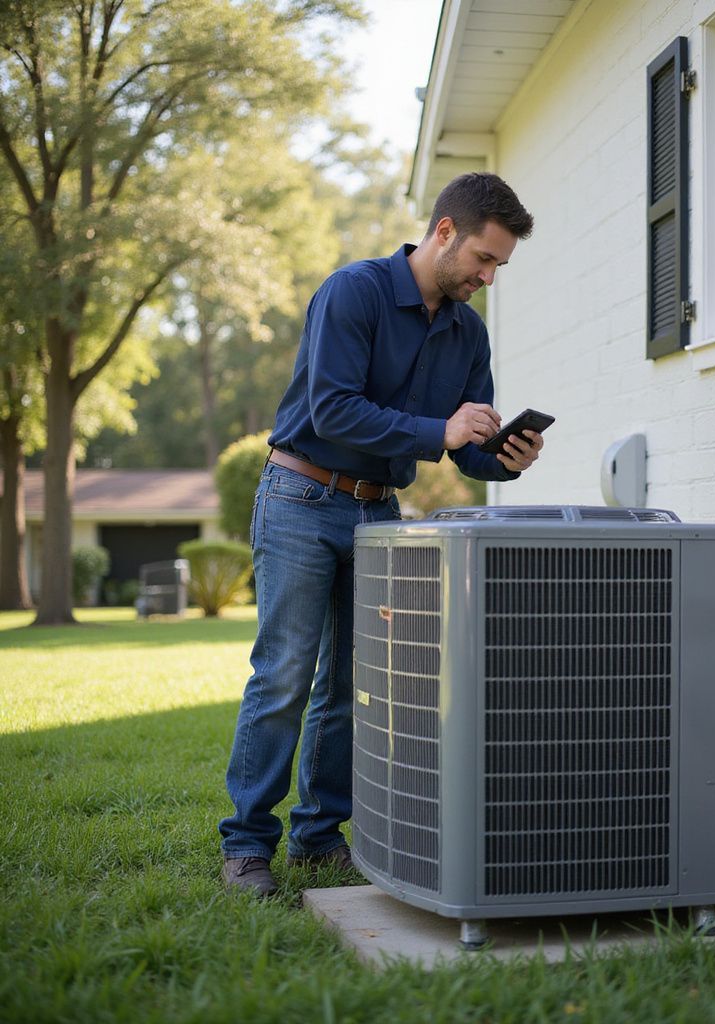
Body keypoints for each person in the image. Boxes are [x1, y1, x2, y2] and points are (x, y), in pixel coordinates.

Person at [219, 173, 543, 895]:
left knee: (352, 686)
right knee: (283, 677)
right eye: (484, 260)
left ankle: (316, 836)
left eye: (500, 268)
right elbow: (333, 411)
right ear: (445, 232)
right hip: (301, 495)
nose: (488, 278)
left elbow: (465, 447)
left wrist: (505, 458)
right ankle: (246, 848)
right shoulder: (354, 292)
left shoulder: (468, 332)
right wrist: (443, 429)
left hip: (376, 512)